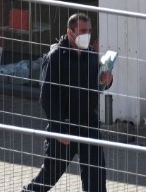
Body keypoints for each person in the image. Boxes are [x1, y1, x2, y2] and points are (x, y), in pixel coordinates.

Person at [24, 12, 113, 192]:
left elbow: (99, 85)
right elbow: (47, 96)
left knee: (96, 179)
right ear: (70, 32)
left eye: (89, 30)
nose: (87, 35)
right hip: (65, 127)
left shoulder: (91, 55)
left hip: (89, 125)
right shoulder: (56, 56)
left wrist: (108, 80)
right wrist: (58, 129)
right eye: (82, 31)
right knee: (49, 176)